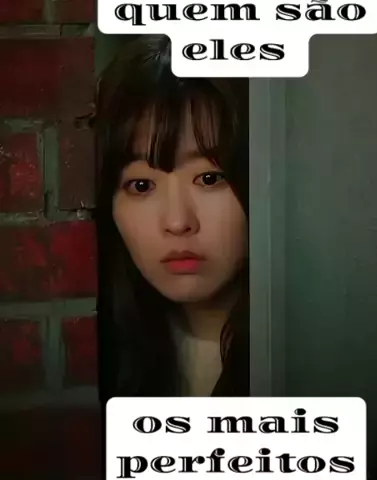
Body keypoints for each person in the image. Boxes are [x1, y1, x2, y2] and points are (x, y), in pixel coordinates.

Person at [93, 36, 249, 400]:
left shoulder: (313, 358)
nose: (178, 222)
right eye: (142, 185)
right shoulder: (97, 360)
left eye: (209, 179)